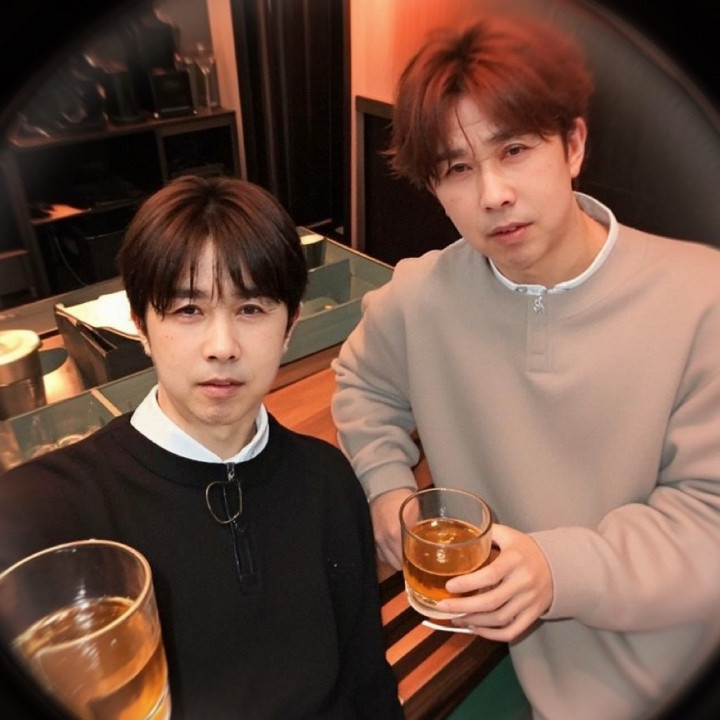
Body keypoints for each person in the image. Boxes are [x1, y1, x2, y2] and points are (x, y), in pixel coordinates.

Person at [331, 12, 720, 720]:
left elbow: (710, 520)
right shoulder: (421, 297)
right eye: (457, 168)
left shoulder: (703, 298)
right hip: (550, 685)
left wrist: (555, 569)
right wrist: (385, 486)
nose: (492, 194)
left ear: (573, 144)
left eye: (514, 150)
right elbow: (363, 380)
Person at [0, 175, 403, 719]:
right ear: (141, 325)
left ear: (290, 326)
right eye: (188, 310)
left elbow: (369, 685)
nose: (222, 347)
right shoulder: (46, 511)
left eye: (251, 308)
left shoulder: (328, 482)